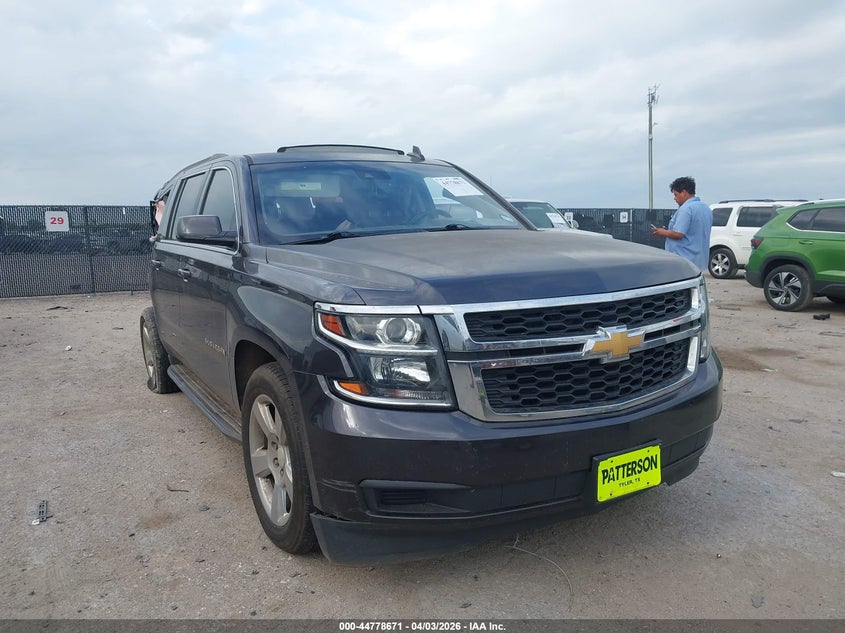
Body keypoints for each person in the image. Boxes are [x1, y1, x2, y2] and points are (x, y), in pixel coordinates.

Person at [652, 176, 712, 271]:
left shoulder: (686, 209)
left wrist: (662, 232)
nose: (674, 198)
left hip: (683, 262)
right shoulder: (706, 208)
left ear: (684, 192)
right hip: (700, 261)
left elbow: (678, 233)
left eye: (676, 194)